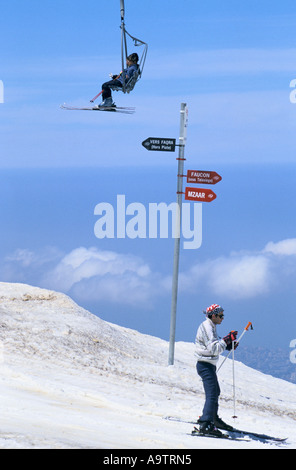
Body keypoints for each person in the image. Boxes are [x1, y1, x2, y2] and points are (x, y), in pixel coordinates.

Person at [195, 304, 238, 436]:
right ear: (213, 315)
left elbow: (214, 345)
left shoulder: (211, 326)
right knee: (212, 393)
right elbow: (213, 349)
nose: (222, 318)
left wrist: (227, 345)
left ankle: (212, 419)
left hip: (208, 364)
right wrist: (226, 340)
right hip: (205, 365)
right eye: (220, 316)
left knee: (215, 391)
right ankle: (206, 423)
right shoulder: (207, 327)